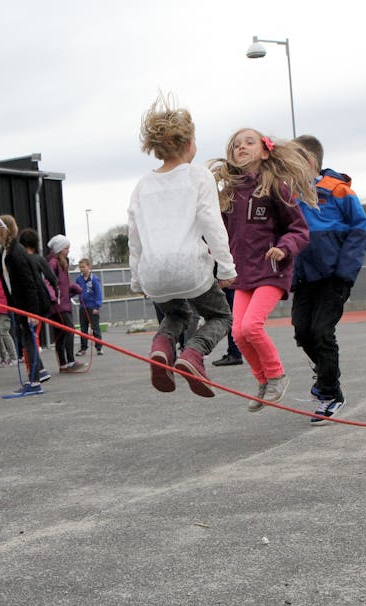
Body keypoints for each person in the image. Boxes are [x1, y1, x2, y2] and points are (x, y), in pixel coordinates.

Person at [128, 94, 236, 397]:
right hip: (189, 268)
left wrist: (137, 279)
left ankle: (162, 347)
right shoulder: (198, 175)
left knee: (177, 314)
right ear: (188, 143)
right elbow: (212, 224)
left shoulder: (142, 184)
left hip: (153, 272)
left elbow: (133, 237)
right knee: (221, 316)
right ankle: (193, 354)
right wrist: (226, 268)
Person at [209, 128, 314, 411]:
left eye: (249, 142)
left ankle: (277, 375)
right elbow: (217, 234)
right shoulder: (228, 193)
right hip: (242, 275)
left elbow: (299, 229)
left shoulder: (276, 186)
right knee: (238, 332)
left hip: (271, 270)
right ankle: (263, 380)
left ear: (265, 151)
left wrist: (284, 247)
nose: (241, 147)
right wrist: (214, 263)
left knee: (252, 326)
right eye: (236, 145)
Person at [290, 135, 366, 422]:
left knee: (322, 331)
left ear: (309, 162)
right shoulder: (289, 194)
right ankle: (325, 374)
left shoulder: (338, 191)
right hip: (304, 278)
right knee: (302, 331)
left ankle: (329, 393)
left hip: (334, 276)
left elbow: (360, 230)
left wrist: (344, 272)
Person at [0, 215, 48, 396]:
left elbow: (29, 283)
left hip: (28, 305)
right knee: (25, 339)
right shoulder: (4, 253)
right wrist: (11, 307)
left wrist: (32, 312)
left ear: (3, 231)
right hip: (17, 305)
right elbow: (9, 285)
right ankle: (37, 375)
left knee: (29, 340)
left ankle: (35, 381)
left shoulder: (17, 252)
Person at [17, 228, 55, 382]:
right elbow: (52, 279)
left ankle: (37, 370)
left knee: (30, 338)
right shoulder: (39, 259)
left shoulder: (22, 260)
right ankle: (36, 369)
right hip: (41, 303)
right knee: (32, 336)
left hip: (31, 304)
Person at [45, 234, 83, 372]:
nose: (68, 251)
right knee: (69, 330)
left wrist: (74, 288)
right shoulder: (53, 263)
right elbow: (48, 282)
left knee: (60, 334)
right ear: (60, 249)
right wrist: (53, 297)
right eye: (67, 248)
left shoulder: (62, 263)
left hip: (63, 303)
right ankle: (70, 361)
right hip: (59, 304)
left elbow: (63, 284)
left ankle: (63, 364)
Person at [75, 257, 104, 356]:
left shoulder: (94, 279)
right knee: (83, 329)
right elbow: (75, 290)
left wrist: (97, 306)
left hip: (92, 307)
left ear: (88, 267)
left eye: (83, 267)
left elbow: (98, 293)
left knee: (95, 327)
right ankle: (83, 348)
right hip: (83, 307)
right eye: (80, 267)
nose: (82, 269)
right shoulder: (79, 279)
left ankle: (99, 347)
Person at [211, 286, 243, 366]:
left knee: (232, 316)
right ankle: (234, 353)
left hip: (229, 281)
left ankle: (235, 353)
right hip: (231, 281)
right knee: (233, 316)